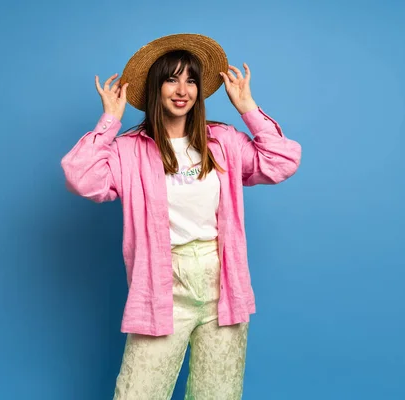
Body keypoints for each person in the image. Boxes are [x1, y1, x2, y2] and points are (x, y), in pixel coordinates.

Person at [61, 33, 302, 399]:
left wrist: (248, 108)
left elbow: (281, 160)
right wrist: (109, 121)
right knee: (138, 392)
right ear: (156, 87)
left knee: (217, 394)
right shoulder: (130, 149)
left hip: (223, 279)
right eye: (171, 79)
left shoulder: (222, 141)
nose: (182, 89)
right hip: (162, 282)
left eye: (191, 80)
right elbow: (80, 177)